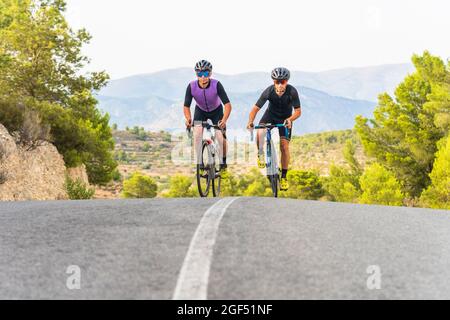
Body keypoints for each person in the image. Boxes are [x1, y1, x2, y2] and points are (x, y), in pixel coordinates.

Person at [246, 67, 302, 191]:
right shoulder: (269, 91)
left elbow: (298, 111)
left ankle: (283, 177)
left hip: (286, 119)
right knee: (260, 132)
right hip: (270, 115)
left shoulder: (292, 91)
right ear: (274, 82)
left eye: (283, 82)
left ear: (287, 82)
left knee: (284, 146)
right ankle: (260, 152)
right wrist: (250, 122)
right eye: (277, 82)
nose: (280, 84)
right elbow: (255, 109)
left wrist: (290, 119)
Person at [183, 60, 232, 177]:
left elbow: (228, 105)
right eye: (200, 74)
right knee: (197, 134)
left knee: (220, 138)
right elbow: (186, 106)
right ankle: (200, 164)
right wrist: (188, 119)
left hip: (217, 111)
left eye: (206, 74)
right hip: (200, 111)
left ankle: (223, 164)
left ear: (210, 74)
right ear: (196, 75)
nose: (203, 77)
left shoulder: (217, 84)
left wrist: (224, 120)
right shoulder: (191, 86)